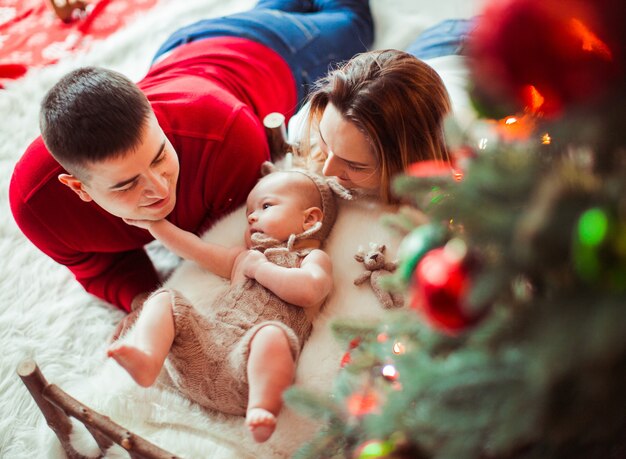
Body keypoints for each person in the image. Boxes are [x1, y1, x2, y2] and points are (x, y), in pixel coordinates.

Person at [9, 0, 373, 338]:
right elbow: (99, 267)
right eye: (127, 184)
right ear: (78, 188)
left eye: (159, 156)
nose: (159, 188)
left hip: (267, 55)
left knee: (353, 22)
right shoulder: (36, 207)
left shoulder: (226, 139)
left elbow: (237, 259)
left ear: (154, 118)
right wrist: (142, 301)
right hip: (185, 56)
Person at [107, 166, 337, 443]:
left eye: (266, 206)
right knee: (166, 298)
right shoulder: (241, 258)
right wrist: (153, 225)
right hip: (200, 353)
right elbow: (194, 249)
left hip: (247, 375)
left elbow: (310, 290)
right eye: (249, 212)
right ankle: (147, 357)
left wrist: (261, 270)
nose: (252, 216)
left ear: (309, 220)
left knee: (271, 335)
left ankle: (262, 409)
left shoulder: (311, 259)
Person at [301, 19, 475, 203]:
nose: (327, 171)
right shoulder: (315, 117)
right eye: (324, 141)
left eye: (355, 165)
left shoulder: (465, 157)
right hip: (428, 52)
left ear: (406, 161)